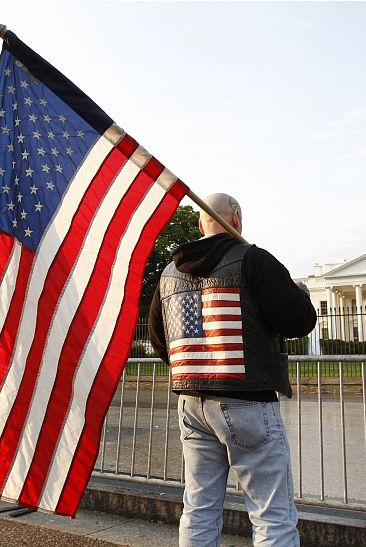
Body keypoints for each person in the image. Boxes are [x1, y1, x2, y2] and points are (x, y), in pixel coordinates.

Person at [149, 193, 316, 546]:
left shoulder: (168, 273)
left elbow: (160, 340)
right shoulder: (254, 260)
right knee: (271, 513)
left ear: (200, 225)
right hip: (248, 400)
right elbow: (299, 321)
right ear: (236, 218)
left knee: (199, 507)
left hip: (192, 402)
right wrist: (301, 294)